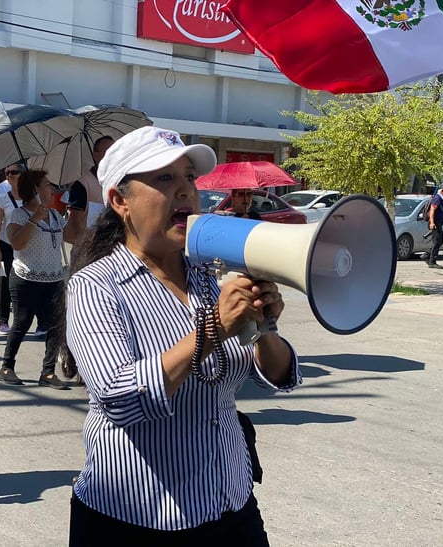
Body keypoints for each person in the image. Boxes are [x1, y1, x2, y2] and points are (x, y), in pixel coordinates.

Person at [61, 126, 301, 545]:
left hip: (229, 502)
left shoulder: (212, 273)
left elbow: (279, 375)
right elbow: (119, 397)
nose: (187, 191)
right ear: (121, 201)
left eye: (190, 177)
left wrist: (264, 327)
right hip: (136, 517)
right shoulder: (96, 286)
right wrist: (213, 330)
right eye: (164, 179)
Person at [0, 169, 69, 389]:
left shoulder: (55, 215)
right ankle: (6, 367)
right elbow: (17, 243)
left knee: (56, 325)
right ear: (36, 189)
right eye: (48, 185)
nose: (53, 189)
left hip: (54, 278)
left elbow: (73, 234)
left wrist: (77, 212)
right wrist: (34, 219)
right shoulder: (18, 215)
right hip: (26, 278)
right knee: (22, 322)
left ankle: (47, 372)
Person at [64, 135, 114, 247]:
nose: (112, 156)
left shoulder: (116, 182)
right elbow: (75, 219)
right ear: (95, 156)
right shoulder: (83, 183)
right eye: (107, 152)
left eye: (114, 151)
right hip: (87, 248)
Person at [0, 164, 23, 334]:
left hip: (25, 246)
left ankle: (23, 319)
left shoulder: (32, 198)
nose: (9, 175)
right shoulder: (2, 197)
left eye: (14, 172)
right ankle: (2, 320)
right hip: (5, 244)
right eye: (7, 172)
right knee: (3, 281)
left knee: (23, 283)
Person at [425, 183, 443, 269]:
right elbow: (432, 211)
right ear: (442, 190)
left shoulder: (442, 198)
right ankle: (432, 261)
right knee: (437, 241)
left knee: (440, 240)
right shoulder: (437, 198)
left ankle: (426, 255)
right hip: (435, 223)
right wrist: (432, 223)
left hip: (438, 223)